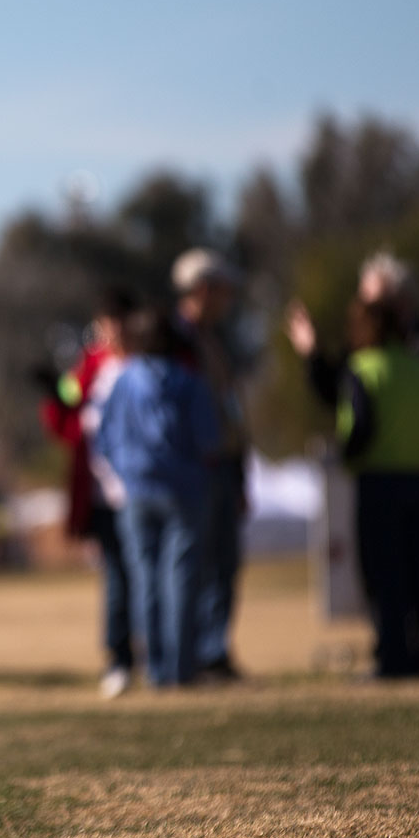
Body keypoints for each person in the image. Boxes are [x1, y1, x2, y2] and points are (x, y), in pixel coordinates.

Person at [95, 308, 221, 688]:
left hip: (137, 492)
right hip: (185, 491)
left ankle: (155, 669)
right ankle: (180, 670)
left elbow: (105, 439)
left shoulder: (123, 382)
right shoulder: (190, 383)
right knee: (181, 578)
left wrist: (128, 470)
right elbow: (210, 439)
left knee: (144, 579)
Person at [335, 298, 419, 677]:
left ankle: (394, 658)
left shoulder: (364, 368)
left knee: (385, 575)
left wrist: (345, 456)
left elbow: (358, 427)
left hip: (379, 479)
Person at [36, 287, 136, 697]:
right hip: (101, 493)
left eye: (112, 326)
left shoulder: (147, 362)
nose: (106, 335)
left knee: (149, 577)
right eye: (102, 327)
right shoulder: (91, 365)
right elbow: (69, 406)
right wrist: (54, 395)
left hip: (143, 489)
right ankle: (120, 657)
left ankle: (166, 654)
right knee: (117, 575)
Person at [170, 247, 252, 680]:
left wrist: (239, 470)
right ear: (202, 289)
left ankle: (215, 652)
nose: (229, 299)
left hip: (224, 465)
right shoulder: (175, 341)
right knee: (194, 566)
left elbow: (231, 407)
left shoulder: (216, 340)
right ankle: (190, 655)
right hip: (195, 471)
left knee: (224, 564)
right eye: (223, 290)